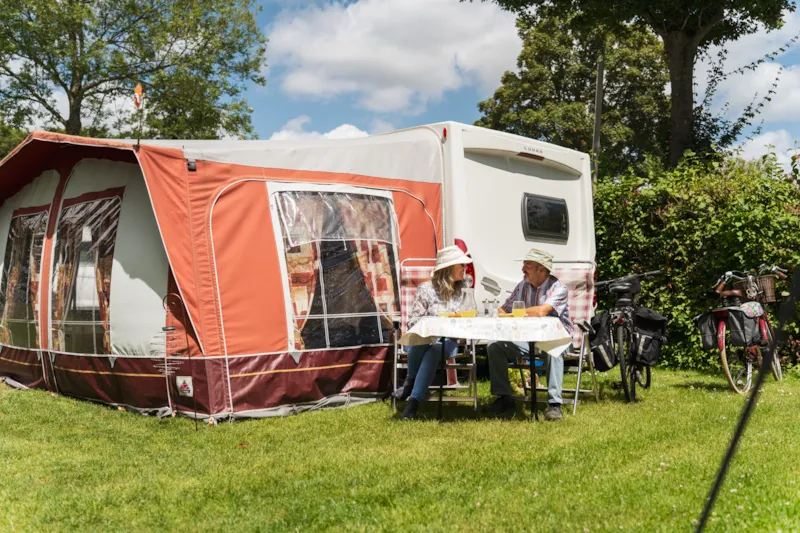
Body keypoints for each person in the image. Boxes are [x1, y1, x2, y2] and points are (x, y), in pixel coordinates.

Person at [486, 248, 572, 421]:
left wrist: (518, 313)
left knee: (553, 349)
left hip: (556, 338)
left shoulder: (558, 288)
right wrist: (506, 314)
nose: (523, 268)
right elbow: (503, 309)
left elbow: (542, 311)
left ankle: (554, 404)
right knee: (494, 346)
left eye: (528, 265)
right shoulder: (522, 286)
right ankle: (504, 397)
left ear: (541, 269)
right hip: (527, 339)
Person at [392, 245, 473, 420]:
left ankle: (412, 396)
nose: (465, 268)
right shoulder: (426, 289)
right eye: (461, 265)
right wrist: (430, 324)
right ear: (449, 267)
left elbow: (470, 314)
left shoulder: (463, 290)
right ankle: (413, 392)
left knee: (435, 349)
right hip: (424, 339)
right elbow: (413, 322)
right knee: (424, 343)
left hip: (449, 341)